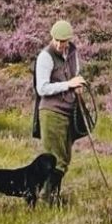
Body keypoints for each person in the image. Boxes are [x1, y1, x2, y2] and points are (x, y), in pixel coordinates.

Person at [33, 20, 86, 205]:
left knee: (65, 159)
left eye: (62, 41)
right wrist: (68, 85)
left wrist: (77, 85)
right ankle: (46, 199)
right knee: (54, 160)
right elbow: (42, 88)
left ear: (69, 40)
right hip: (50, 112)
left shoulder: (73, 53)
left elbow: (75, 75)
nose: (58, 44)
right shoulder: (45, 57)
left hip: (67, 112)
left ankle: (51, 196)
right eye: (56, 40)